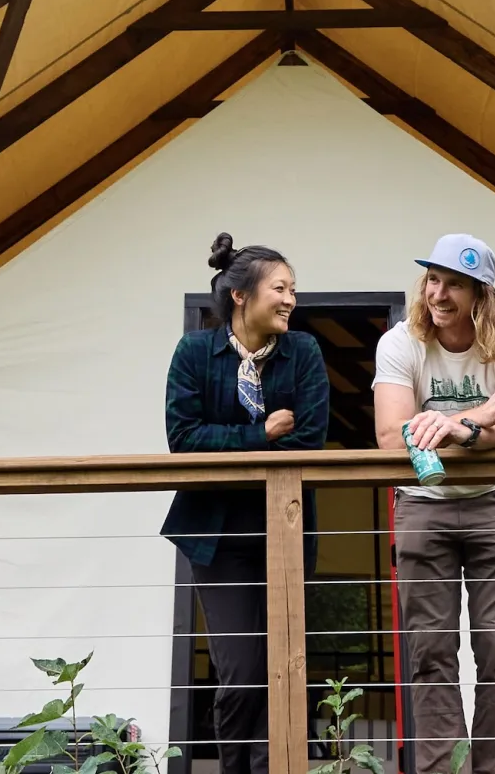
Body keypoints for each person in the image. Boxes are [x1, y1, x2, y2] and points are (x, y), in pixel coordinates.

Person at [161, 233, 329, 774]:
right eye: (280, 288)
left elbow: (310, 441)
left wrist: (236, 444)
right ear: (241, 295)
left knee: (287, 664)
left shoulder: (303, 352)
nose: (290, 300)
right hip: (218, 537)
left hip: (284, 529)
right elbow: (183, 441)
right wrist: (260, 434)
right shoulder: (193, 353)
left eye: (293, 291)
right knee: (242, 669)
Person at [373, 234, 495, 774]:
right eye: (433, 279)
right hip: (424, 505)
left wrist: (459, 427)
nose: (438, 294)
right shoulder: (400, 342)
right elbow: (391, 438)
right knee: (431, 655)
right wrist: (484, 416)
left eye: (455, 284)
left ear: (481, 294)